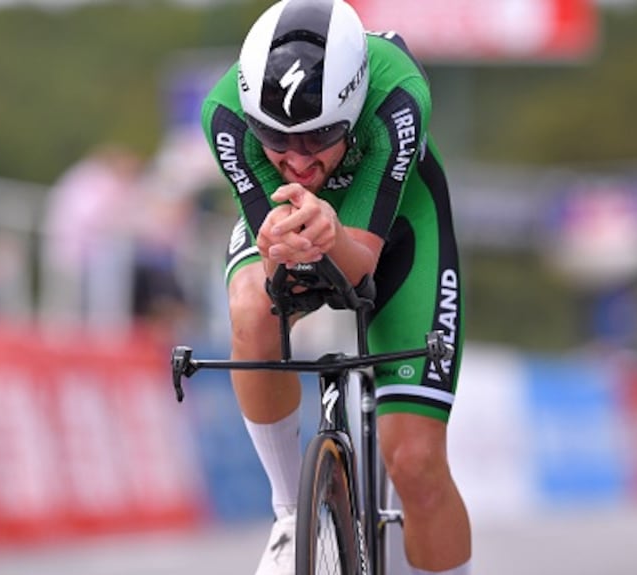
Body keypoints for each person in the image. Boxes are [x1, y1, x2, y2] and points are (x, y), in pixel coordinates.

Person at [199, 1, 471, 574]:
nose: (296, 160)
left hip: (399, 228)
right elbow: (276, 271)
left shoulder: (398, 95)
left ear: (351, 106)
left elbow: (360, 269)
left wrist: (327, 236)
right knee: (253, 310)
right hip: (287, 224)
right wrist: (280, 254)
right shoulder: (223, 114)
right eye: (276, 139)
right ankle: (286, 513)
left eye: (319, 137)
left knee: (416, 464)